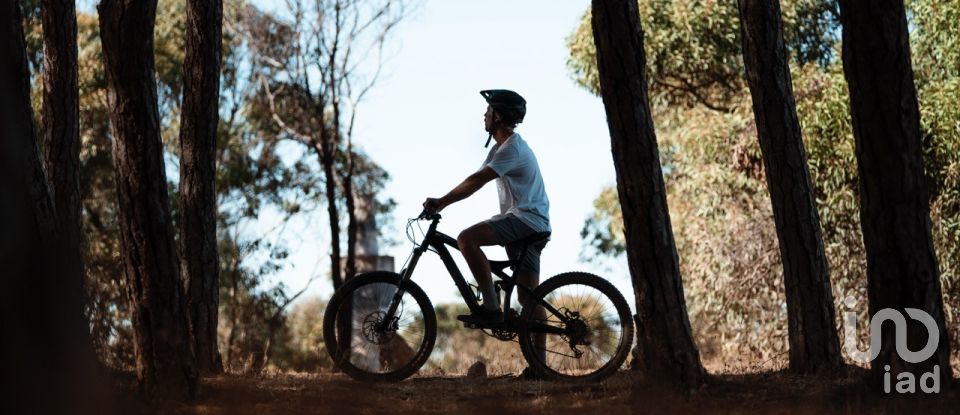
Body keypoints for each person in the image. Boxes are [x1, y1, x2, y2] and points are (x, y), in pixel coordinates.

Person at [422, 89, 551, 327]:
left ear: (499, 116)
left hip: (524, 220)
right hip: (535, 224)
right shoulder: (502, 149)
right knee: (528, 298)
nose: (484, 114)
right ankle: (539, 365)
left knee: (466, 239)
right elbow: (475, 179)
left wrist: (441, 202)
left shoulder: (512, 149)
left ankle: (492, 308)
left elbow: (477, 181)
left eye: (489, 110)